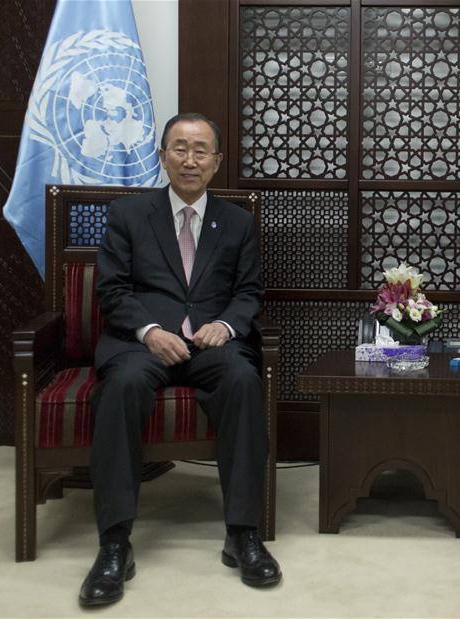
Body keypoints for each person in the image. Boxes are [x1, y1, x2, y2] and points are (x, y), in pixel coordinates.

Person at [79, 113, 280, 607]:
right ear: (163, 156)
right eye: (180, 148)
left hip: (211, 345)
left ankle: (243, 534)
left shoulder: (238, 222)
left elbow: (249, 292)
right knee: (122, 386)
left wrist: (226, 326)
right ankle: (114, 543)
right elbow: (112, 289)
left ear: (217, 161)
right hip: (143, 343)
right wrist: (150, 331)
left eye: (200, 150)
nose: (190, 160)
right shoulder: (129, 215)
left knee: (243, 380)